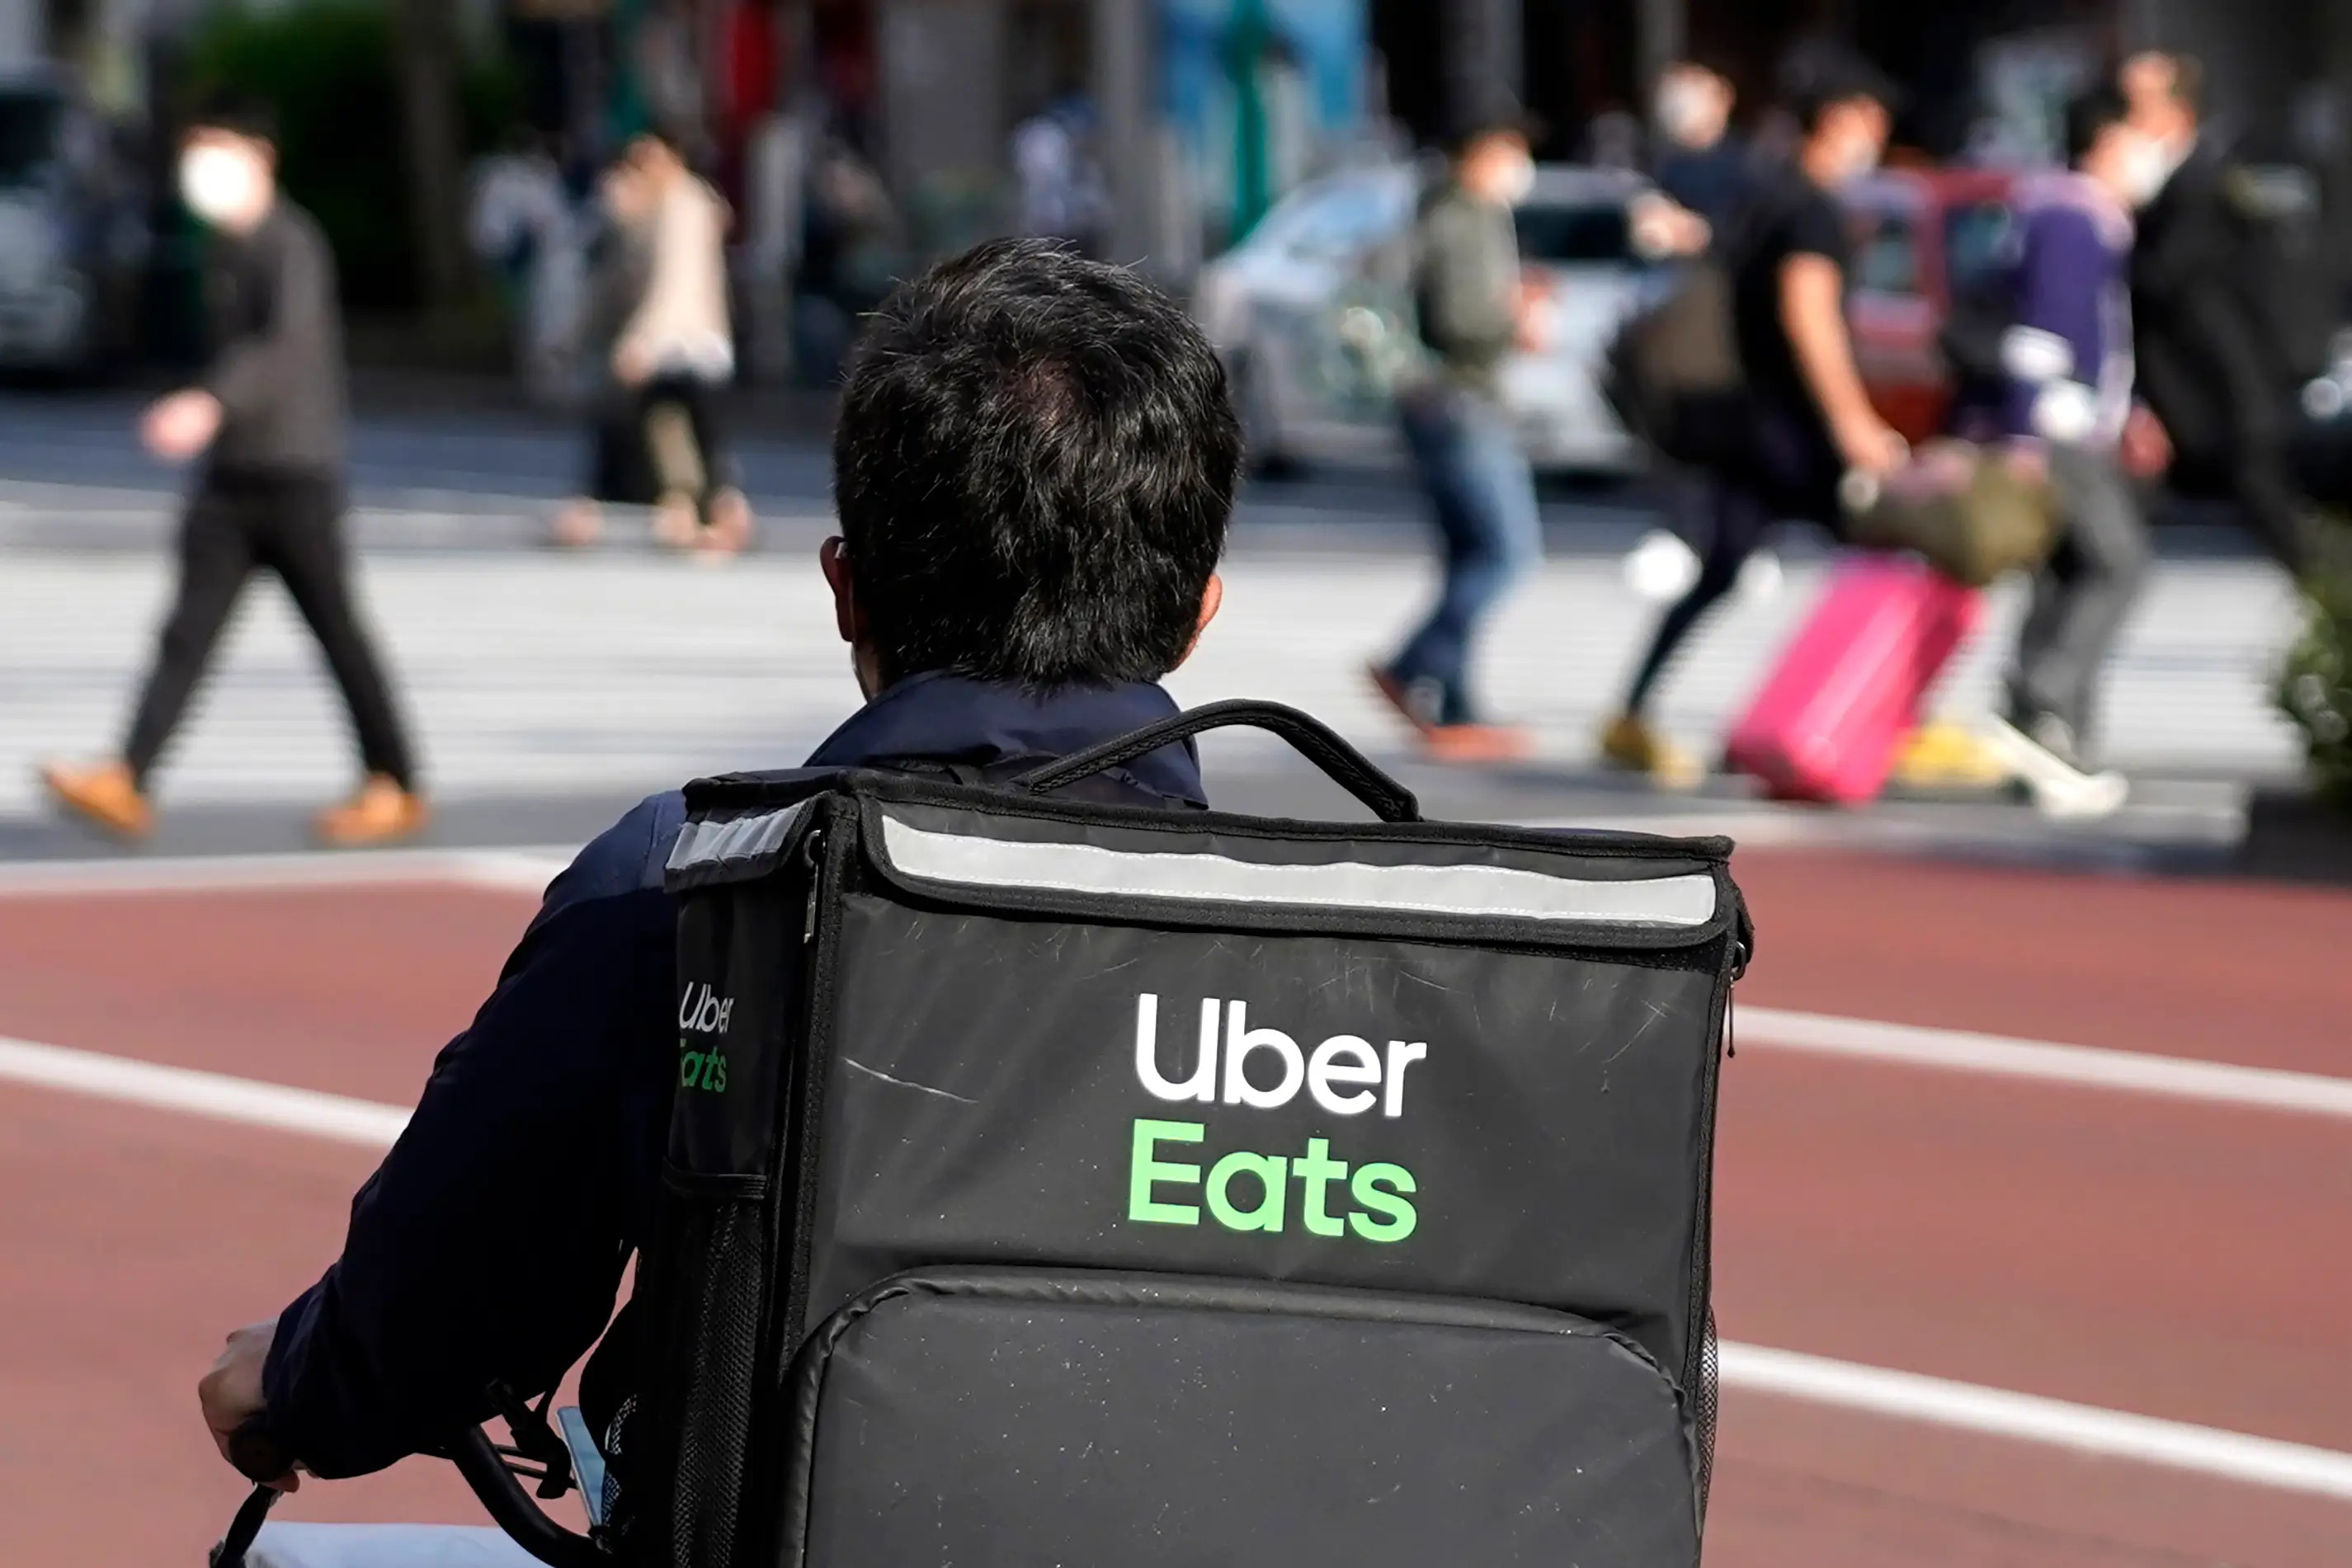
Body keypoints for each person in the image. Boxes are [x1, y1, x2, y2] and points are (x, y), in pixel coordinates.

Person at [193, 238, 1242, 1539]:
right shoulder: (1400, 945)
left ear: (845, 589)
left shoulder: (698, 887)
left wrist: (293, 1382)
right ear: (1198, 613)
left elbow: (456, 1289)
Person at [39, 95, 426, 846]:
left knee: (338, 631)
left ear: (259, 156)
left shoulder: (290, 241)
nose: (201, 166)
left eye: (215, 147)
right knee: (186, 630)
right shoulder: (225, 245)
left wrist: (209, 402)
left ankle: (396, 779)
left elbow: (284, 345)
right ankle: (127, 775)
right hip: (232, 478)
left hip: (294, 473)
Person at [1599, 45, 1907, 785]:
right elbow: (1809, 316)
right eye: (1872, 119)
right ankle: (1861, 716)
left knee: (1724, 565)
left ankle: (1631, 715)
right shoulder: (1810, 207)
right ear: (1840, 120)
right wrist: (1851, 423)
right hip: (1789, 426)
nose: (1879, 134)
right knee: (1888, 549)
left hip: (1743, 417)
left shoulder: (1763, 190)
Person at [1977, 85, 2169, 817]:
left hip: (2073, 421)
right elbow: (2046, 332)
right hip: (2061, 426)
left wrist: (2132, 407)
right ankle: (2043, 706)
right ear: (2104, 139)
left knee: (2065, 570)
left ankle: (2045, 735)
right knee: (2118, 562)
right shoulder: (2069, 216)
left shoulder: (2066, 211)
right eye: (2138, 135)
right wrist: (2029, 431)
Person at [1366, 102, 1550, 763]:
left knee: (1469, 554)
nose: (1515, 165)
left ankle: (1457, 703)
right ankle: (1411, 665)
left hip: (1438, 403)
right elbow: (1463, 317)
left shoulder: (1436, 209)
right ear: (1477, 153)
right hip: (1462, 402)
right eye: (1506, 150)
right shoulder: (1462, 217)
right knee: (1506, 551)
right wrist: (1517, 318)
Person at [2121, 50, 2336, 579]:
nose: (2124, 121)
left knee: (2275, 509)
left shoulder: (2199, 182)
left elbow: (2163, 277)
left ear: (2177, 112)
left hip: (2230, 386)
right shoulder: (2194, 178)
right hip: (2214, 389)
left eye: (2135, 106)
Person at [550, 129, 753, 555]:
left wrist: (641, 340)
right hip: (672, 344)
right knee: (669, 430)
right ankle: (690, 509)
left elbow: (673, 284)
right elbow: (610, 285)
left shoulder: (685, 205)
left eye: (650, 157)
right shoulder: (651, 207)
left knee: (656, 425)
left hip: (688, 344)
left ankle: (704, 512)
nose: (642, 168)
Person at [1650, 57, 1751, 237]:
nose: (1683, 100)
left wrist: (1696, 231)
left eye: (1697, 87)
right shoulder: (1665, 164)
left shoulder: (1745, 164)